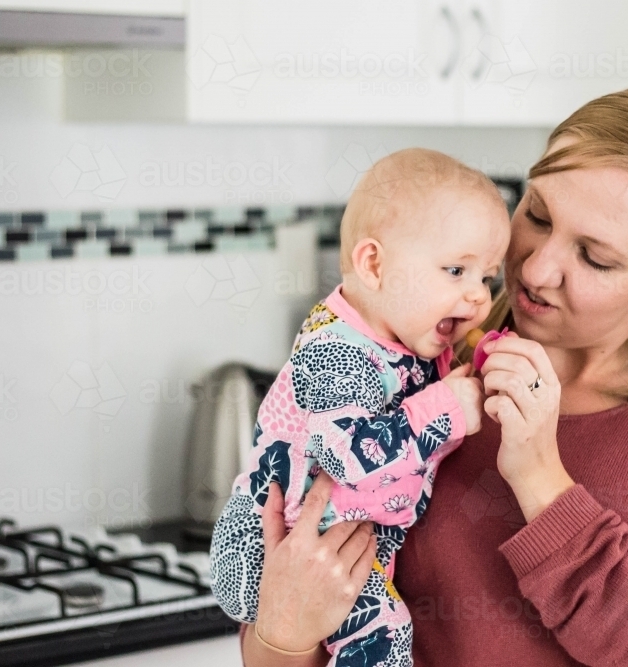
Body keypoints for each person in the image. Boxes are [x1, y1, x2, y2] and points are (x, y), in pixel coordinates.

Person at [237, 85, 628, 667]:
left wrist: (541, 477)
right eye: (537, 213)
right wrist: (285, 629)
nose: (534, 267)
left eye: (594, 257)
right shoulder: (418, 365)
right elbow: (294, 611)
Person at [209, 148, 511, 666]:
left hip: (344, 540)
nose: (480, 298)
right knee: (385, 636)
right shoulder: (338, 352)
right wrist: (448, 406)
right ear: (374, 264)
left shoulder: (406, 342)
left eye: (485, 278)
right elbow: (348, 454)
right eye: (456, 270)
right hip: (301, 542)